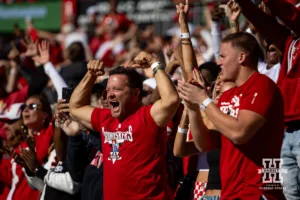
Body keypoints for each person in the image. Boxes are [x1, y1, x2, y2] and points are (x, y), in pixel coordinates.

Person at [178, 32, 285, 199]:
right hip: (230, 192)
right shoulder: (228, 96)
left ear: (241, 57)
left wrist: (204, 100)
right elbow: (205, 145)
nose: (218, 62)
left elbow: (239, 133)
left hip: (258, 191)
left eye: (222, 56)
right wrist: (193, 107)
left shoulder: (262, 86)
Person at [68, 51, 180, 199]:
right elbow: (75, 107)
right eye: (108, 90)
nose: (110, 94)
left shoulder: (148, 117)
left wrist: (154, 64)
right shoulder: (105, 118)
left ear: (135, 93)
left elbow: (171, 99)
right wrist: (91, 75)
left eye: (117, 89)